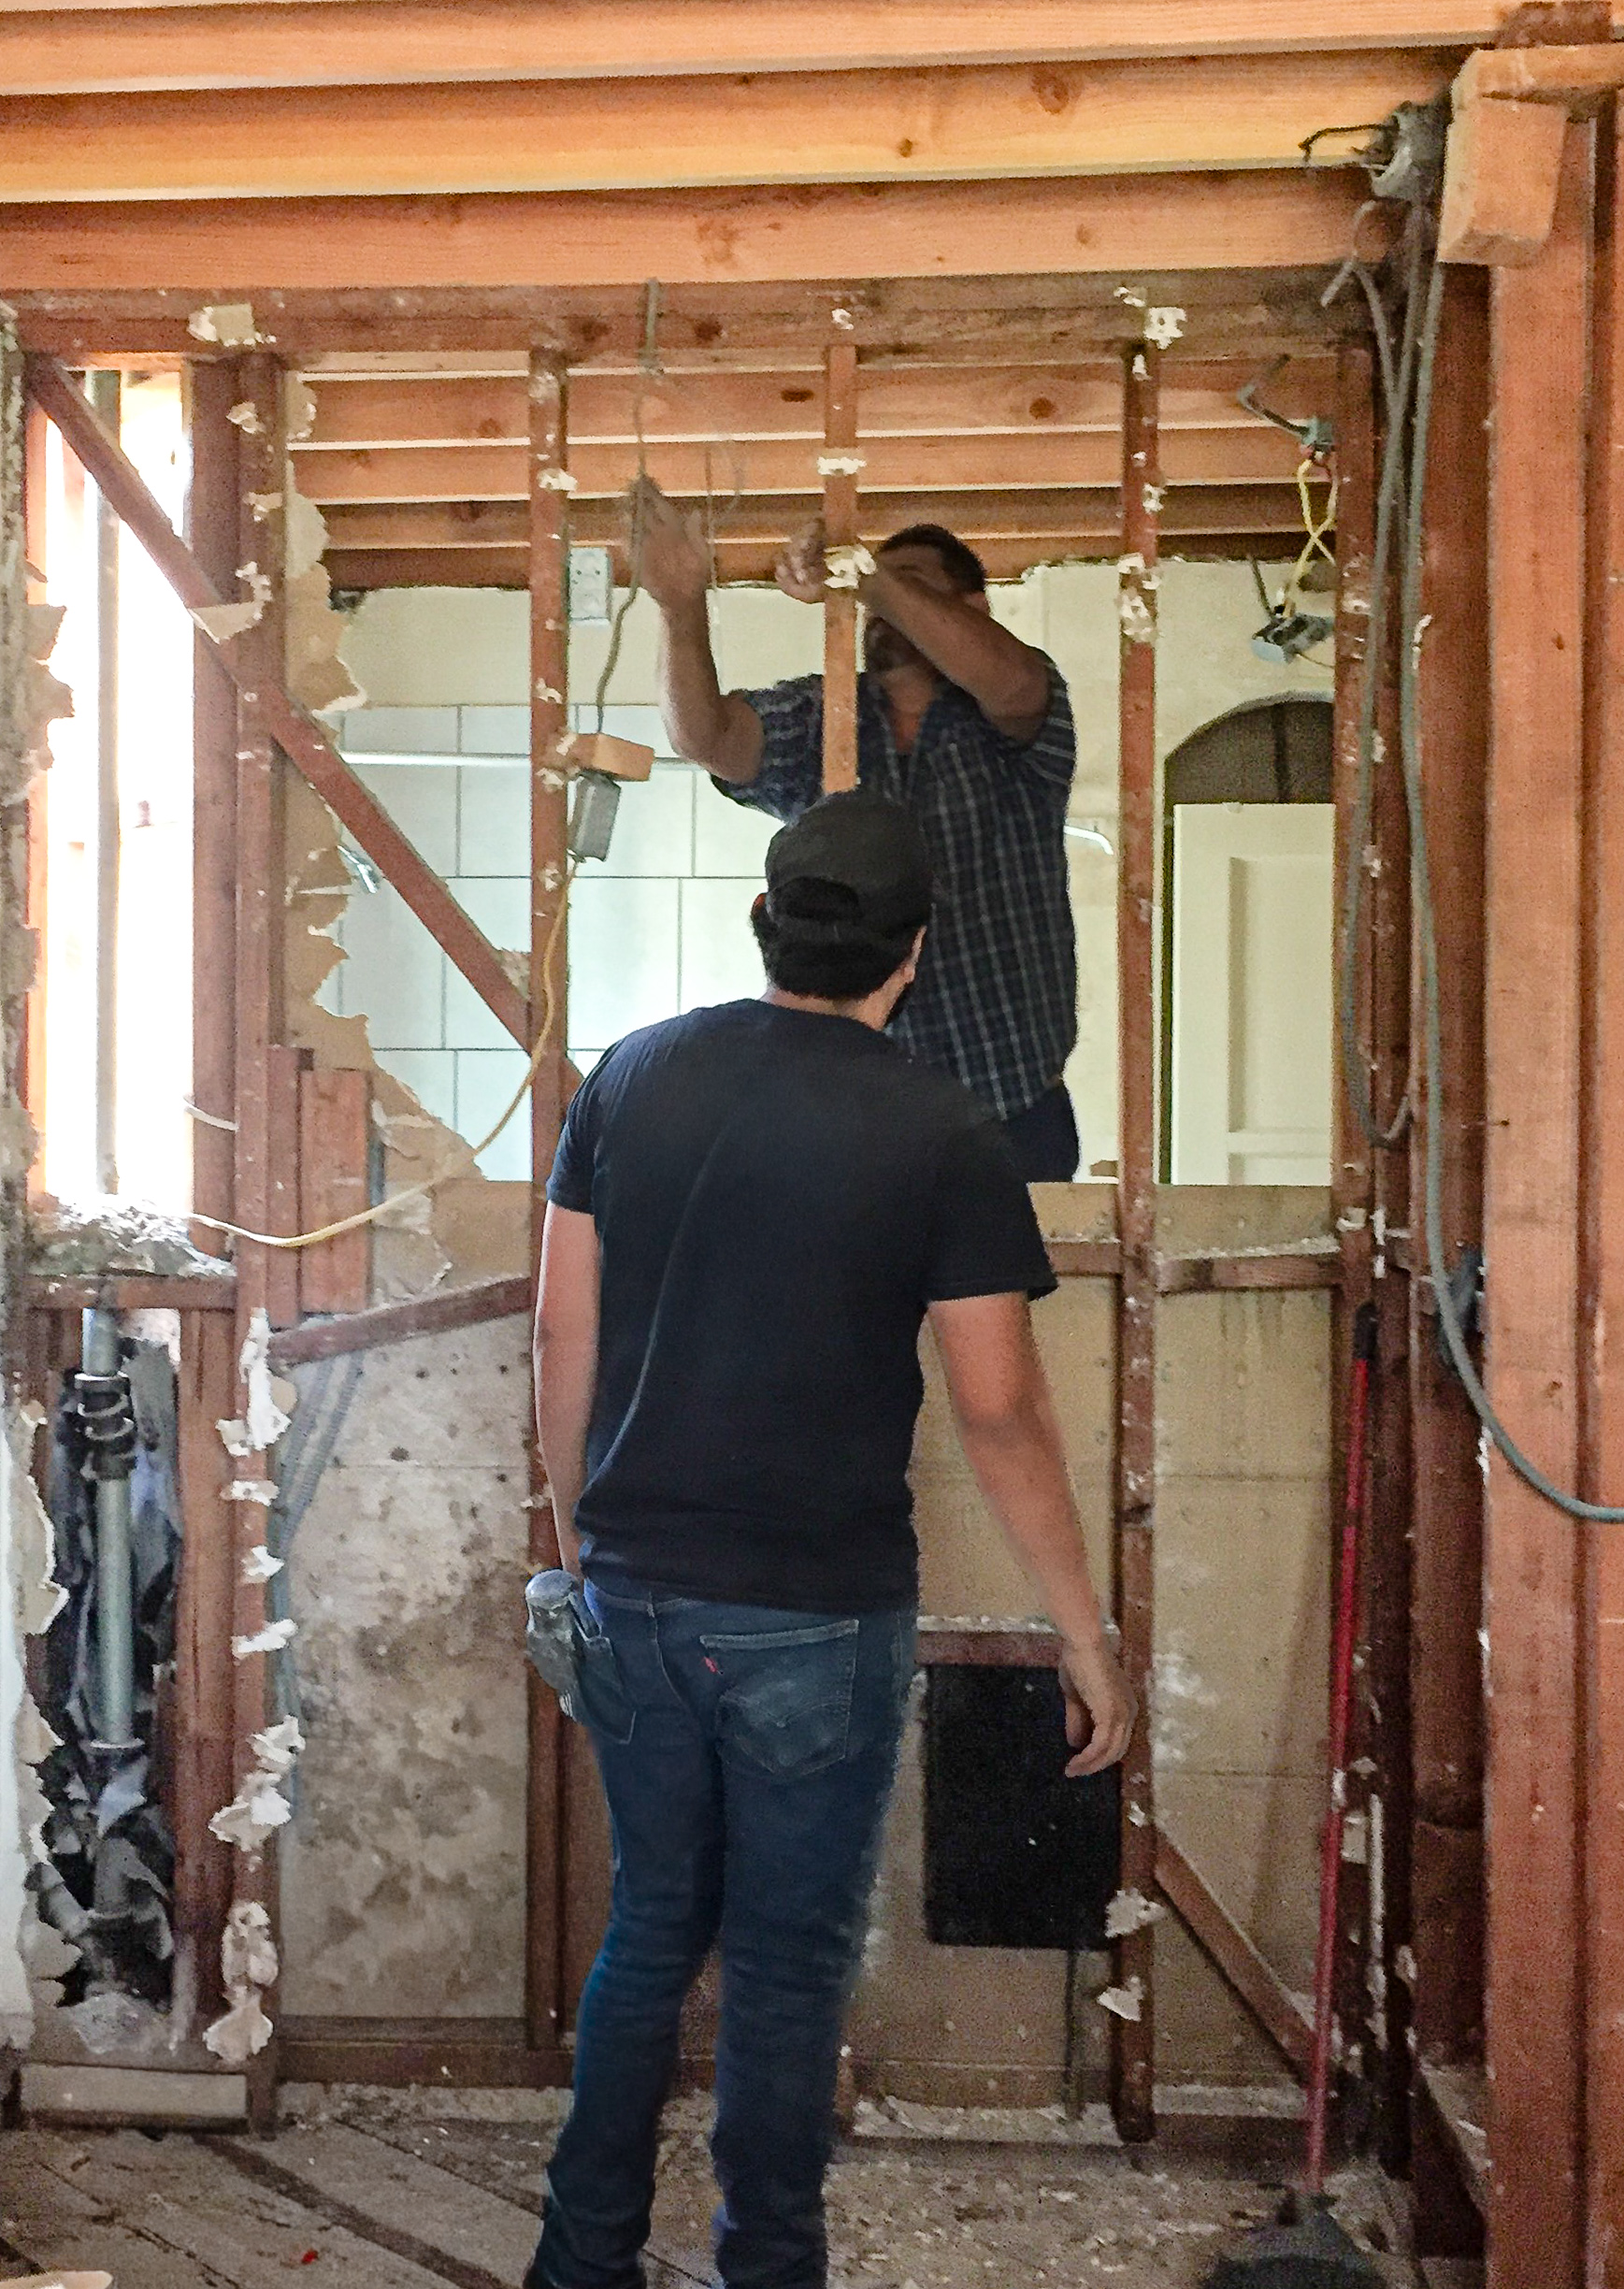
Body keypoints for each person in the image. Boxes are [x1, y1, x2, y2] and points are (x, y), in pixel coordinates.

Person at [525, 789, 1135, 2289]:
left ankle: (581, 2260)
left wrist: (578, 1546)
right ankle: (767, 2269)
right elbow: (999, 1413)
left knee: (652, 1928)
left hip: (641, 1597)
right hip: (818, 1614)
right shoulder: (944, 1132)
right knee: (789, 1970)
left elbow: (559, 1330)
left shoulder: (632, 1078)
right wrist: (1082, 1627)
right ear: (912, 955)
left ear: (763, 922)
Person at [634, 479, 1085, 1181]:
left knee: (1008, 1294)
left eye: (911, 585)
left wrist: (866, 572)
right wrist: (680, 604)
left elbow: (1013, 681)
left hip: (1010, 1110)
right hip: (852, 1117)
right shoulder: (825, 714)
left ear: (972, 607)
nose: (873, 604)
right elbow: (708, 737)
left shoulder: (1015, 715)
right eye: (867, 593)